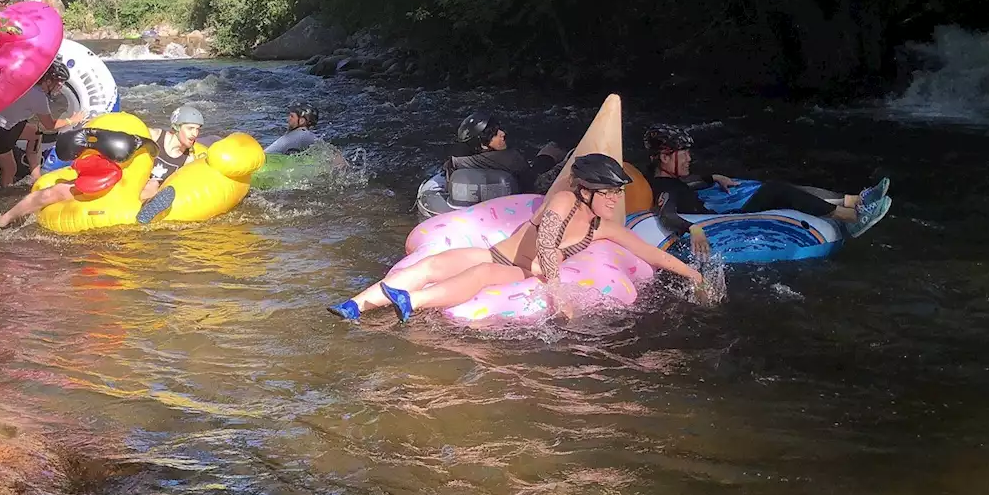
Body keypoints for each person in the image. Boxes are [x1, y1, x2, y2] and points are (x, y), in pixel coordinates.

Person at [329, 153, 703, 321]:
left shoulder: (603, 228)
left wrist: (693, 275)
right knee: (432, 264)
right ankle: (356, 304)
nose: (613, 200)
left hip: (521, 272)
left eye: (615, 194)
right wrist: (558, 290)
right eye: (606, 193)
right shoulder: (562, 200)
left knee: (478, 278)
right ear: (585, 191)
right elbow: (547, 240)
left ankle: (411, 302)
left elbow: (651, 254)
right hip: (497, 253)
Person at [644, 125, 892, 259]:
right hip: (724, 218)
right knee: (777, 190)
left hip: (717, 209)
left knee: (775, 188)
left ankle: (855, 200)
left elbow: (691, 182)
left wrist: (713, 177)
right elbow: (667, 214)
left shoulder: (673, 180)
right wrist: (693, 228)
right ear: (665, 158)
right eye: (683, 153)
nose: (689, 158)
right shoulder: (664, 188)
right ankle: (852, 217)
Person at [0, 104, 206, 228]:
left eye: (198, 129)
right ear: (176, 127)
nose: (194, 134)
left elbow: (183, 184)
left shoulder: (188, 159)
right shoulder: (152, 136)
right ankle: (5, 219)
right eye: (190, 128)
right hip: (112, 179)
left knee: (153, 183)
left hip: (135, 194)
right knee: (55, 191)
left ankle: (146, 209)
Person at [0, 60, 73, 187]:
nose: (60, 87)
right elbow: (50, 125)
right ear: (48, 81)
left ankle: (36, 177)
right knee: (9, 169)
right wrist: (72, 120)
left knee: (35, 133)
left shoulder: (25, 83)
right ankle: (0, 198)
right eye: (58, 83)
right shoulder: (38, 97)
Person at [444, 110, 566, 194]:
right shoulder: (511, 159)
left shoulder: (457, 163)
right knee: (552, 151)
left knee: (547, 154)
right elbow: (536, 185)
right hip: (527, 189)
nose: (502, 134)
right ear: (482, 144)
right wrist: (566, 164)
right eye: (495, 133)